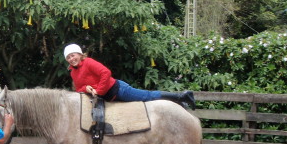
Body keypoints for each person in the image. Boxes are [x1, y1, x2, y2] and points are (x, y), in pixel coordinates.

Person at [64, 44, 196, 109]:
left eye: (73, 55)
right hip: (108, 98)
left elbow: (106, 73)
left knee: (147, 97)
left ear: (80, 55)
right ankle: (179, 101)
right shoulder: (73, 72)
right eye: (68, 57)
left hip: (119, 90)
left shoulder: (88, 62)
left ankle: (181, 97)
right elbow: (79, 89)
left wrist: (98, 90)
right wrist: (86, 89)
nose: (71, 59)